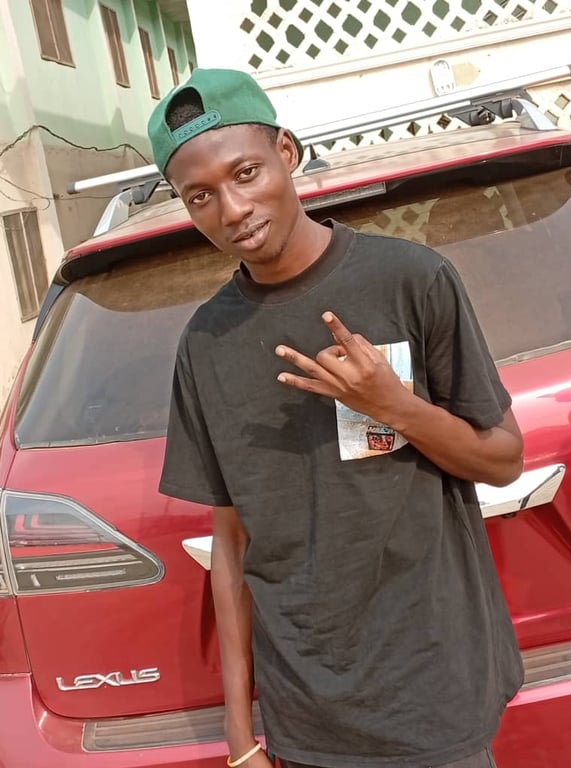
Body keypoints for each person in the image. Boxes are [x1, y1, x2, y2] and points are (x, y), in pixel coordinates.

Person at [148, 68, 524, 768]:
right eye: (200, 196)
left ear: (286, 153)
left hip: (435, 689)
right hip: (308, 719)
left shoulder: (410, 280)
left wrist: (396, 407)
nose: (232, 209)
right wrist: (239, 733)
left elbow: (504, 459)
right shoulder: (205, 345)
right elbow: (230, 543)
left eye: (246, 173)